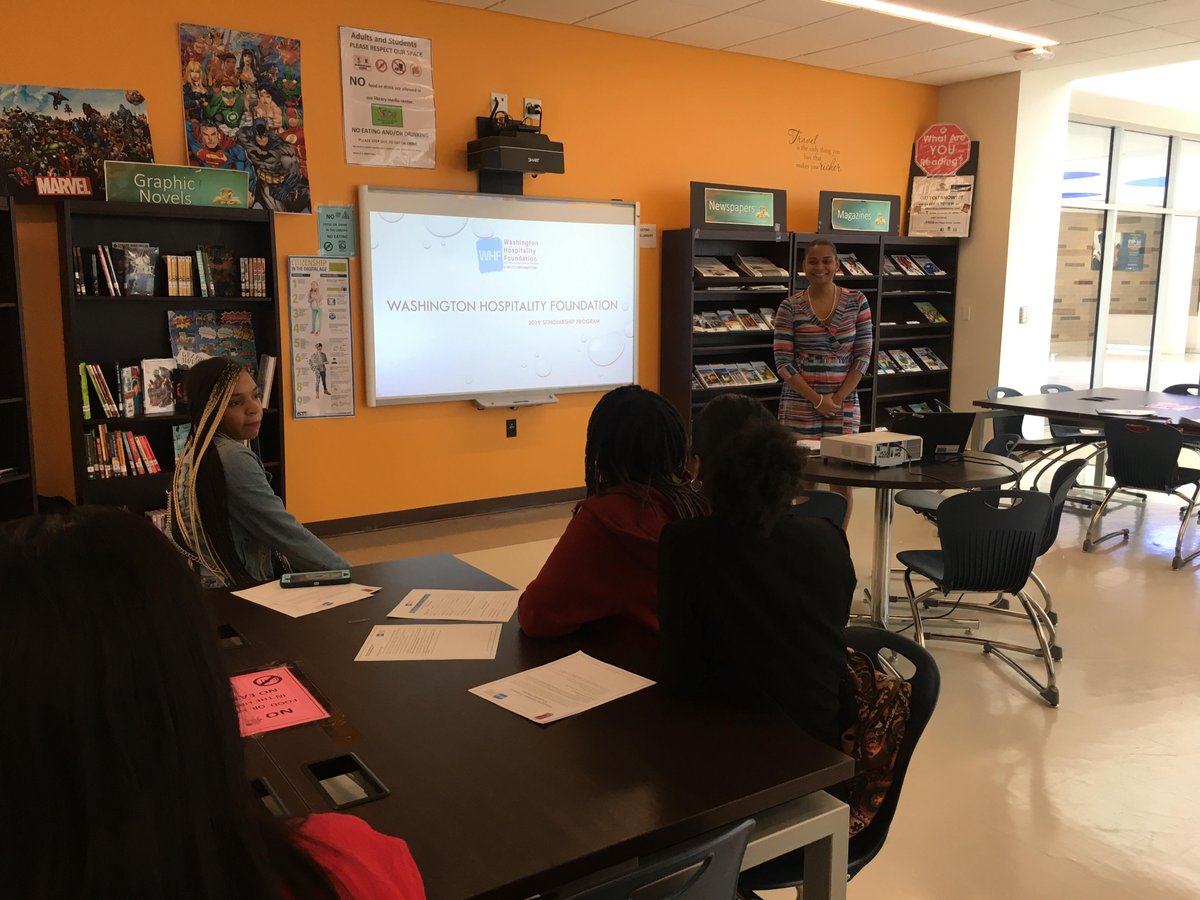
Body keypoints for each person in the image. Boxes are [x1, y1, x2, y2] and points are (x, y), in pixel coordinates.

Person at [0, 505, 425, 899]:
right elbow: (280, 526)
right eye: (241, 413)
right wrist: (339, 570)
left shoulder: (199, 455)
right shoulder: (349, 866)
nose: (255, 416)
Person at [658, 393, 856, 748]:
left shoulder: (684, 545)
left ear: (699, 467)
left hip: (728, 760)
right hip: (822, 753)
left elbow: (680, 673)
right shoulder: (829, 537)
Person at [517, 385, 708, 637]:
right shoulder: (698, 501)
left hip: (637, 669)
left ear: (602, 450)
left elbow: (537, 614)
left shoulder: (606, 519)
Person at [170, 356, 347, 587]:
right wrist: (345, 572)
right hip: (234, 593)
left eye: (255, 395)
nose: (254, 408)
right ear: (210, 410)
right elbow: (285, 533)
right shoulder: (233, 458)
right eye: (235, 403)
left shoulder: (194, 450)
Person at [774, 238, 873, 525]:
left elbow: (863, 357)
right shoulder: (789, 306)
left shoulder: (857, 302)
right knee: (804, 478)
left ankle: (837, 543)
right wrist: (817, 400)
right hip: (799, 403)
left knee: (842, 480)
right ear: (803, 266)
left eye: (826, 260)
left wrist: (836, 400)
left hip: (843, 403)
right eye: (813, 261)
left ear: (837, 264)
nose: (820, 267)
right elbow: (782, 361)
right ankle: (804, 542)